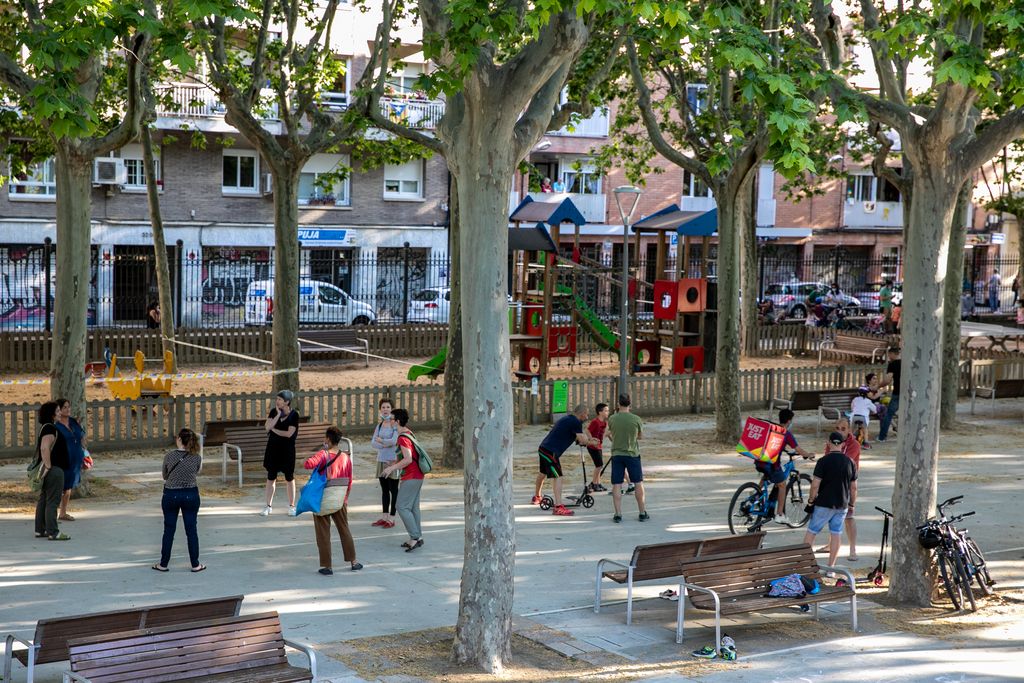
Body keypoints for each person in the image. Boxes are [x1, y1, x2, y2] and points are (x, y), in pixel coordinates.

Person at [305, 426, 362, 574]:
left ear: (328, 439)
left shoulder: (323, 454)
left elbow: (308, 464)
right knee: (344, 529)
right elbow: (349, 479)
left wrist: (322, 452)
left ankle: (327, 566)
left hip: (323, 497)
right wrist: (345, 498)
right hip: (340, 497)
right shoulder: (345, 457)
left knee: (323, 532)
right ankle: (353, 561)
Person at [153, 428, 205, 572]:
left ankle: (163, 564)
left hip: (171, 494)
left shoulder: (169, 456)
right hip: (191, 494)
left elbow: (164, 475)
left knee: (169, 530)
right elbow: (197, 472)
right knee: (191, 530)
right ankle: (195, 564)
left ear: (180, 440)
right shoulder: (196, 457)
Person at [804, 431, 858, 570]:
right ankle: (831, 567)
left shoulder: (823, 461)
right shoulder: (850, 462)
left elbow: (815, 484)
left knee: (812, 532)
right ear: (843, 444)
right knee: (836, 534)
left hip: (823, 503)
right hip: (842, 504)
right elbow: (853, 488)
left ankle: (805, 564)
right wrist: (852, 504)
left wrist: (811, 501)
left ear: (828, 443)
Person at [532, 404, 598, 516]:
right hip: (551, 452)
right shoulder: (576, 422)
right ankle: (558, 506)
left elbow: (573, 436)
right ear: (582, 414)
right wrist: (592, 442)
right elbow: (582, 439)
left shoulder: (567, 418)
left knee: (542, 473)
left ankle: (537, 497)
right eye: (586, 414)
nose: (587, 417)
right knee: (558, 477)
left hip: (543, 448)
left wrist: (588, 439)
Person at [816, 418, 861, 562]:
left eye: (843, 428)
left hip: (847, 484)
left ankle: (853, 549)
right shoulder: (832, 441)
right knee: (832, 515)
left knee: (849, 516)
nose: (839, 431)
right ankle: (831, 544)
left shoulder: (854, 444)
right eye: (837, 428)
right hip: (832, 482)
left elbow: (843, 463)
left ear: (849, 430)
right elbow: (827, 458)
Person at [759, 408, 813, 524]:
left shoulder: (772, 430)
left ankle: (756, 493)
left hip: (760, 461)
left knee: (767, 475)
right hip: (772, 464)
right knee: (782, 484)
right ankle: (780, 514)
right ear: (789, 421)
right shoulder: (786, 434)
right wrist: (808, 454)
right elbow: (798, 449)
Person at [382, 409, 425, 551]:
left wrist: (391, 469)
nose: (390, 420)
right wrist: (394, 462)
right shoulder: (408, 433)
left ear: (398, 421)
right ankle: (417, 537)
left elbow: (408, 459)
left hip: (411, 476)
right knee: (413, 507)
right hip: (417, 475)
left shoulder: (402, 437)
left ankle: (415, 537)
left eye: (392, 419)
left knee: (401, 506)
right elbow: (406, 456)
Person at [607, 394, 648, 523]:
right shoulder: (636, 419)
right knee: (638, 482)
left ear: (618, 404)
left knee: (617, 484)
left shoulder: (612, 418)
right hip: (632, 453)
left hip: (617, 454)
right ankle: (642, 512)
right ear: (630, 404)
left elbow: (610, 432)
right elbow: (641, 436)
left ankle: (618, 513)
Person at [34, 401, 71, 541]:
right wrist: (49, 466)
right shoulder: (50, 428)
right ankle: (53, 532)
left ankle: (40, 529)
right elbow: (45, 448)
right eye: (57, 411)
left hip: (51, 469)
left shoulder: (47, 427)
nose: (60, 413)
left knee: (44, 499)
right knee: (52, 501)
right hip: (54, 470)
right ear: (51, 414)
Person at [260, 390, 300, 516]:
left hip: (287, 451)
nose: (277, 401)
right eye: (276, 399)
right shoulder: (273, 411)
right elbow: (267, 427)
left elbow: (289, 434)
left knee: (289, 478)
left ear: (287, 402)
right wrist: (277, 416)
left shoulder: (294, 415)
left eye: (280, 399)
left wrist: (274, 430)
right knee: (271, 478)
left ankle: (292, 506)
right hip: (273, 449)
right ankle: (268, 506)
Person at [54, 398, 86, 522]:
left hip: (76, 459)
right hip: (62, 460)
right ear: (59, 410)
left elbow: (81, 437)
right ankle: (51, 513)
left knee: (68, 488)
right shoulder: (56, 426)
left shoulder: (73, 422)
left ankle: (63, 512)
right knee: (59, 487)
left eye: (68, 407)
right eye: (64, 408)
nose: (67, 410)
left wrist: (85, 453)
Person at [371, 398, 400, 528]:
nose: (385, 409)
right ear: (380, 409)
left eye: (388, 407)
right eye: (383, 407)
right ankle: (384, 517)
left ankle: (392, 519)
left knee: (394, 490)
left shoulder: (395, 426)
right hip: (381, 460)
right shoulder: (379, 425)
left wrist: (381, 441)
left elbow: (394, 442)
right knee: (384, 490)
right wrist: (384, 443)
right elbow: (373, 443)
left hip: (392, 461)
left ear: (392, 409)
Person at [877, 347, 901, 442]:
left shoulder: (893, 364)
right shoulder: (907, 362)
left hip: (897, 392)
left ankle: (882, 437)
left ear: (892, 354)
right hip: (910, 392)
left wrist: (878, 386)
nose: (888, 357)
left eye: (889, 355)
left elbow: (887, 380)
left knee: (889, 414)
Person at [586, 402, 610, 492]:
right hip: (593, 447)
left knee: (600, 465)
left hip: (599, 446)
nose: (608, 412)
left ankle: (598, 483)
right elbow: (587, 431)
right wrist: (591, 439)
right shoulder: (595, 422)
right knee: (599, 465)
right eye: (606, 411)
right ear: (600, 412)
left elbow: (604, 434)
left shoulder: (604, 422)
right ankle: (594, 483)